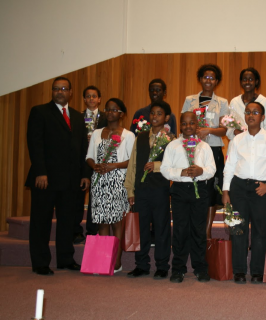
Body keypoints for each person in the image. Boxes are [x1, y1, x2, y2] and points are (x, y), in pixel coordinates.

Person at [26, 76, 90, 275]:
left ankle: (65, 259)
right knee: (41, 221)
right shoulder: (40, 112)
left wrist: (85, 174)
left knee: (67, 221)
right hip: (46, 179)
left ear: (70, 92)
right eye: (56, 89)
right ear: (52, 91)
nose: (60, 92)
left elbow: (82, 148)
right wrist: (41, 172)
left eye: (64, 89)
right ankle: (40, 262)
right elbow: (35, 145)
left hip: (71, 180)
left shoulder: (78, 117)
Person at [222, 102, 266, 284]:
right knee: (237, 230)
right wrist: (226, 191)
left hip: (261, 189)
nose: (251, 115)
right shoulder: (237, 139)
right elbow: (230, 166)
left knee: (260, 231)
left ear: (263, 117)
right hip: (239, 188)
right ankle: (239, 271)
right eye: (248, 112)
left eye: (255, 112)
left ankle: (257, 271)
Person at [161, 112, 216, 283]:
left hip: (199, 189)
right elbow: (164, 169)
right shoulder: (173, 146)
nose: (188, 127)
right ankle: (178, 268)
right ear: (181, 126)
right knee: (180, 230)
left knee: (199, 230)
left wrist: (201, 172)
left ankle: (200, 268)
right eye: (184, 124)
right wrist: (180, 173)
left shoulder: (204, 146)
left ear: (197, 124)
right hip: (179, 190)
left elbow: (212, 169)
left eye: (191, 123)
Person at [125, 101, 174, 279]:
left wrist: (157, 165)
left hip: (160, 189)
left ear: (166, 118)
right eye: (152, 113)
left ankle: (162, 266)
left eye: (159, 114)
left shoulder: (172, 139)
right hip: (141, 190)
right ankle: (142, 265)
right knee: (141, 229)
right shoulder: (141, 137)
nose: (154, 117)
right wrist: (130, 189)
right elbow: (133, 165)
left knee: (161, 228)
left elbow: (175, 164)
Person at [86, 98, 135, 273]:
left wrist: (113, 166)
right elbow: (89, 156)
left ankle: (116, 261)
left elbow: (132, 161)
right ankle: (103, 260)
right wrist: (95, 166)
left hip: (118, 181)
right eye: (108, 109)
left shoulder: (128, 135)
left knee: (117, 223)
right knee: (102, 222)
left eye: (114, 109)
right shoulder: (97, 133)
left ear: (121, 113)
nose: (110, 112)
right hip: (99, 182)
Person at [181, 64, 228, 239]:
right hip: (191, 148)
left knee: (210, 191)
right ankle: (191, 228)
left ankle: (206, 232)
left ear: (216, 81)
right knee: (191, 188)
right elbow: (183, 124)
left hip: (213, 149)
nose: (208, 80)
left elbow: (224, 130)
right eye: (205, 77)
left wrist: (207, 130)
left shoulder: (222, 102)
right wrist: (194, 131)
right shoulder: (189, 100)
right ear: (200, 79)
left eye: (212, 78)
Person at [73, 85, 107, 244]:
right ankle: (76, 230)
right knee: (77, 198)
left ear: (99, 99)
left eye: (94, 96)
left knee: (95, 198)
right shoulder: (77, 117)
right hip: (80, 162)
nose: (91, 99)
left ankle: (92, 231)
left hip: (98, 162)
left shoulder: (106, 117)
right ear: (84, 99)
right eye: (88, 96)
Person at [226, 67, 266, 140]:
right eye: (244, 79)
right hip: (238, 144)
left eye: (251, 79)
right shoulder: (234, 102)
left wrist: (257, 137)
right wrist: (235, 132)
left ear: (256, 82)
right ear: (241, 82)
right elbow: (229, 127)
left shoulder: (264, 101)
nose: (247, 82)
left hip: (258, 144)